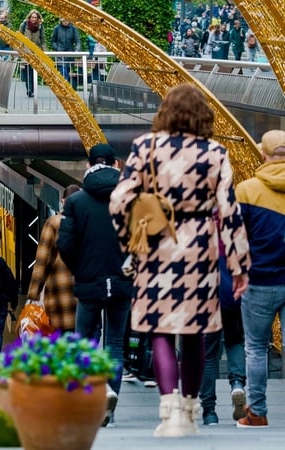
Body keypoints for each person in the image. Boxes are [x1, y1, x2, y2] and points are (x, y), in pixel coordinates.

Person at [109, 84, 250, 437]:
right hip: (200, 248)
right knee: (195, 331)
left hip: (157, 247)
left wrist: (130, 240)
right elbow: (230, 213)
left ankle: (169, 410)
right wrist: (239, 264)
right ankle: (188, 412)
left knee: (159, 328)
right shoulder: (215, 153)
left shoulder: (145, 148)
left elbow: (119, 201)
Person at [58, 143, 134, 428]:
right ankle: (109, 396)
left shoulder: (77, 202)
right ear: (116, 164)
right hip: (122, 281)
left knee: (85, 340)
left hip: (88, 283)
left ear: (89, 165)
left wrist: (81, 268)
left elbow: (65, 243)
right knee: (115, 342)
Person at [233, 129, 285, 428]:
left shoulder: (247, 190)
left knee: (255, 348)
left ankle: (258, 412)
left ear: (263, 154)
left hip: (259, 280)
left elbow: (236, 238)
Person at [199, 213, 247, 426]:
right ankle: (237, 383)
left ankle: (209, 412)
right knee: (235, 341)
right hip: (232, 294)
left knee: (208, 355)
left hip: (206, 296)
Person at [26, 185, 81, 333]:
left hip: (59, 294)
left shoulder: (54, 223)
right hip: (85, 295)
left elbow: (42, 261)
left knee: (61, 343)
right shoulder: (88, 223)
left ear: (63, 201)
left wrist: (33, 293)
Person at [20, 10, 45, 97]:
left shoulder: (40, 26)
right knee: (27, 71)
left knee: (34, 71)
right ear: (29, 17)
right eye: (32, 17)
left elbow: (43, 39)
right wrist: (20, 49)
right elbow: (20, 36)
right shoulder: (24, 25)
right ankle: (29, 89)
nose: (34, 19)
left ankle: (33, 89)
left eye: (35, 17)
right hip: (26, 50)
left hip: (36, 50)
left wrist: (43, 51)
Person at [50, 18, 81, 85]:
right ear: (61, 20)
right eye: (64, 20)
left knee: (67, 71)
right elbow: (53, 41)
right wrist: (57, 48)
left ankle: (65, 87)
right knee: (63, 71)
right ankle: (65, 87)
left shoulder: (73, 29)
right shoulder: (57, 28)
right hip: (60, 55)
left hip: (70, 55)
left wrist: (76, 50)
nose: (65, 22)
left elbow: (78, 41)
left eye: (67, 20)